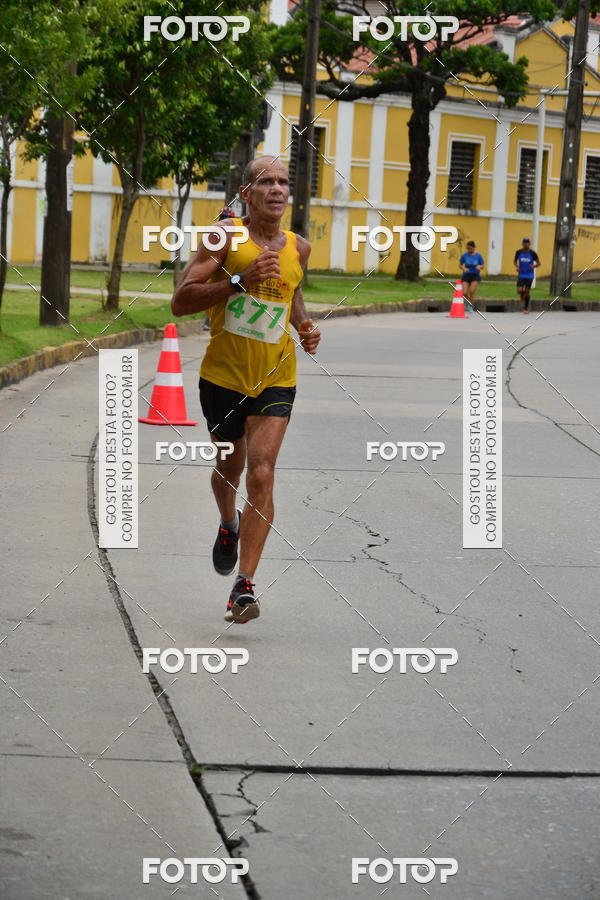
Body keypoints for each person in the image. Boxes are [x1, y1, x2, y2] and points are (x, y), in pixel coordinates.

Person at [171, 157, 320, 624]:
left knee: (262, 471)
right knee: (229, 469)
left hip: (276, 377)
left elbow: (292, 294)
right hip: (222, 378)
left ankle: (244, 585)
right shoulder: (224, 237)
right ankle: (228, 522)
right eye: (266, 181)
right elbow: (181, 299)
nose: (277, 189)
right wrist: (239, 282)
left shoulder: (299, 247)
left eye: (283, 182)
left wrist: (304, 326)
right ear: (246, 192)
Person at [202, 206, 236, 331]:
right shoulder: (214, 232)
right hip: (215, 267)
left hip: (230, 268)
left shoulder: (238, 233)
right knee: (209, 293)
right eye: (223, 218)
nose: (225, 220)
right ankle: (208, 320)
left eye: (228, 218)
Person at [514, 237, 540, 314]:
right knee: (519, 290)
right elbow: (515, 261)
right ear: (522, 244)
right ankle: (522, 295)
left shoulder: (533, 253)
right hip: (521, 275)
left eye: (527, 243)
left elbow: (539, 263)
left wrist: (533, 266)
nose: (526, 244)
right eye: (524, 243)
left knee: (527, 291)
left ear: (529, 244)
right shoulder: (518, 252)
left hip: (529, 275)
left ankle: (526, 308)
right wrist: (517, 266)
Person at [459, 240, 484, 311]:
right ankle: (466, 303)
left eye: (470, 248)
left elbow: (482, 265)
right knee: (464, 292)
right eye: (467, 248)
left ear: (473, 248)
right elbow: (460, 265)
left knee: (472, 291)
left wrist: (479, 266)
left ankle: (470, 306)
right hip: (466, 275)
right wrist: (464, 268)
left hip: (475, 275)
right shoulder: (465, 255)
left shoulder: (478, 255)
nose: (468, 250)